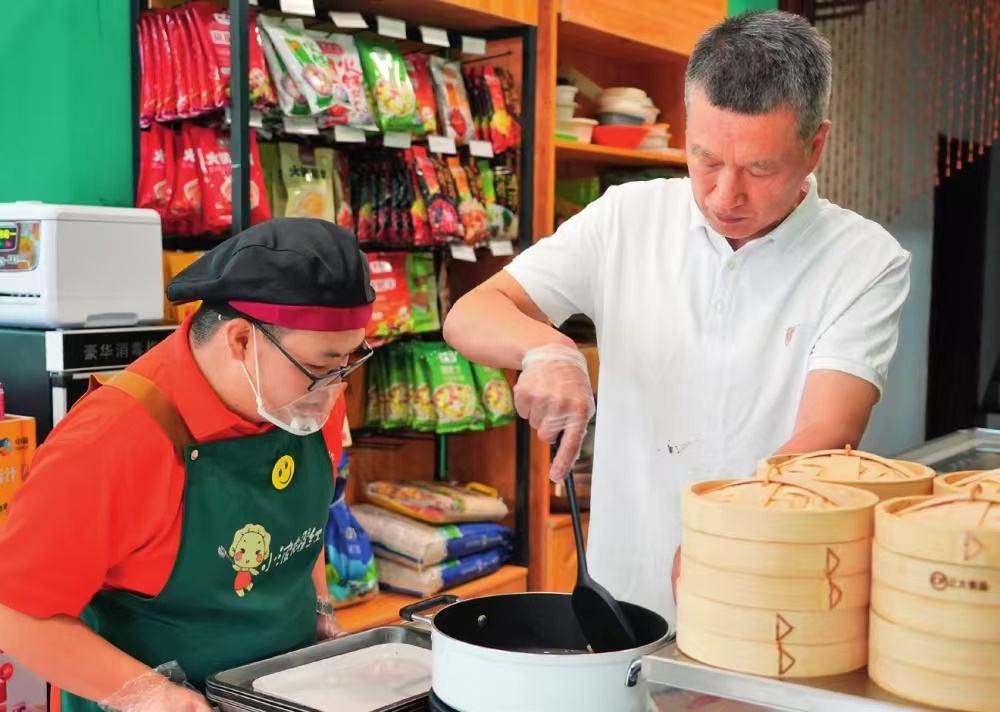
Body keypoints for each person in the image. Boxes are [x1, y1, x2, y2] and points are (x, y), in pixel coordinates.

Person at [442, 10, 911, 627]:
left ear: (814, 145)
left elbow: (828, 431)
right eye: (705, 159)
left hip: (771, 605)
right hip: (620, 603)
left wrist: (724, 530)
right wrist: (547, 350)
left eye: (760, 169)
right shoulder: (627, 217)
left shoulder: (865, 260)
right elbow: (472, 313)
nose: (724, 196)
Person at [0, 218, 376, 710]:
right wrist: (154, 695)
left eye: (348, 362)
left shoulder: (307, 403)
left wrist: (321, 610)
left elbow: (299, 535)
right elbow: (16, 612)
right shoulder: (110, 441)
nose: (336, 388)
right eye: (321, 367)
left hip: (285, 692)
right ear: (241, 341)